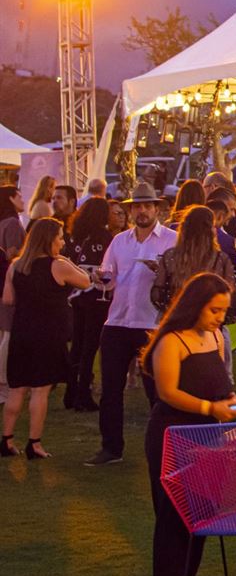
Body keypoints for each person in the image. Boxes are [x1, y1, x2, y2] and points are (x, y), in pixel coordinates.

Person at [139, 272, 236, 576]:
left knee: (203, 502)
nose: (220, 318)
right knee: (174, 504)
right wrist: (210, 407)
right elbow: (167, 392)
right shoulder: (172, 341)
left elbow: (218, 379)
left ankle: (183, 569)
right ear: (195, 305)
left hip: (208, 433)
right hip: (173, 432)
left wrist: (230, 399)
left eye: (223, 310)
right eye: (214, 310)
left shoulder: (214, 337)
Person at [87, 183, 177, 466]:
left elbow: (181, 280)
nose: (142, 211)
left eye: (147, 206)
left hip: (152, 323)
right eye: (137, 206)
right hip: (117, 321)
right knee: (111, 389)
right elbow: (109, 278)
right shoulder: (119, 241)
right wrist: (99, 278)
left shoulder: (172, 240)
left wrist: (162, 272)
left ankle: (165, 450)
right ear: (131, 211)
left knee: (157, 392)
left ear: (156, 209)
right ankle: (111, 448)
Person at [1, 217, 93, 458]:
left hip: (21, 332)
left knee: (16, 389)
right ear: (49, 239)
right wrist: (68, 261)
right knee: (40, 390)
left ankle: (6, 440)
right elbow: (86, 281)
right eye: (60, 238)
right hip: (48, 334)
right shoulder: (58, 265)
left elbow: (8, 299)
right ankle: (34, 443)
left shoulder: (16, 266)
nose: (63, 243)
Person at [150, 206, 236, 319]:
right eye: (213, 226)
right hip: (207, 323)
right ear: (209, 231)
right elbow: (231, 300)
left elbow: (157, 295)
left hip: (176, 321)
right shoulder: (220, 259)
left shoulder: (171, 256)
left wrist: (174, 309)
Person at [64, 196, 112, 411]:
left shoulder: (75, 236)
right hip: (97, 297)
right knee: (90, 347)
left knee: (77, 345)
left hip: (77, 295)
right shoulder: (105, 237)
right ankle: (83, 394)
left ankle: (71, 392)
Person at [0, 185, 26, 259]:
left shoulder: (3, 222)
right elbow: (12, 254)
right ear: (11, 199)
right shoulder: (12, 223)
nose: (23, 201)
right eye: (19, 197)